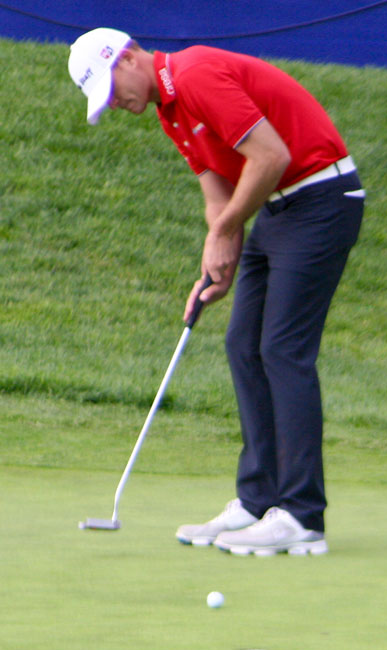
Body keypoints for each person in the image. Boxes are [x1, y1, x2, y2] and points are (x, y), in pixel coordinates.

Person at [68, 27, 365, 556]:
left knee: (282, 350)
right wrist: (217, 247)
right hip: (278, 206)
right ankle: (258, 502)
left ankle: (301, 516)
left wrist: (227, 230)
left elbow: (270, 155)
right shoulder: (169, 110)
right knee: (242, 345)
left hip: (321, 196)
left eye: (112, 92)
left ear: (129, 57)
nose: (116, 105)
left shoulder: (196, 74)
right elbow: (216, 190)